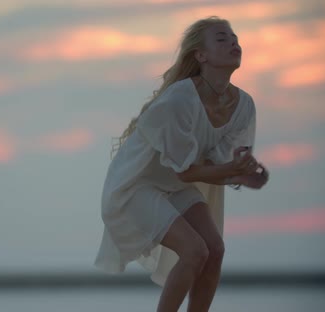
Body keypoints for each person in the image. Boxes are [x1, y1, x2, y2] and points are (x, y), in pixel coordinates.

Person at [94, 16, 270, 312]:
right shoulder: (180, 99)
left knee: (214, 249)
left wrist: (244, 174)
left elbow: (216, 165)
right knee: (194, 250)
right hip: (136, 187)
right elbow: (186, 169)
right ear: (200, 55)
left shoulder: (243, 105)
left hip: (176, 186)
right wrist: (232, 171)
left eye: (235, 38)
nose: (234, 43)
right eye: (222, 38)